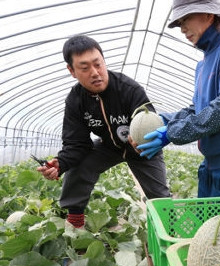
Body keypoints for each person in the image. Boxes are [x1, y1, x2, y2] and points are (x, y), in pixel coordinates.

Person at [37, 35, 171, 229]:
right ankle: (75, 223)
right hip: (109, 147)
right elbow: (76, 144)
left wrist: (145, 142)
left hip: (142, 149)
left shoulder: (129, 89)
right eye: (84, 68)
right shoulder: (76, 100)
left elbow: (149, 120)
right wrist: (60, 164)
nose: (95, 72)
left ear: (104, 61)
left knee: (159, 196)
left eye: (98, 64)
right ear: (72, 71)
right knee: (79, 165)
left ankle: (168, 232)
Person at [136, 0, 220, 198]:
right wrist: (162, 121)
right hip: (210, 167)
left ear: (209, 15)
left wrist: (173, 133)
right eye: (179, 23)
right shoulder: (202, 65)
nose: (182, 28)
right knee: (208, 229)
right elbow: (197, 110)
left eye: (186, 19)